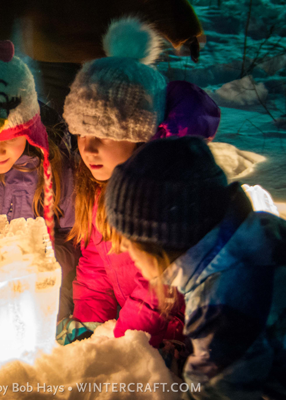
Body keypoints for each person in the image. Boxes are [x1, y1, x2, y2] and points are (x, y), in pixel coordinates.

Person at [57, 18, 220, 352]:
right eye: (82, 134)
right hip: (134, 331)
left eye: (103, 134)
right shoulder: (97, 191)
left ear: (139, 137)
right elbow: (95, 266)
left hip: (174, 337)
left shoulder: (166, 198)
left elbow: (159, 288)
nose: (87, 149)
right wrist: (89, 321)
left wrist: (123, 343)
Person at [105, 136, 286, 400]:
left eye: (130, 236)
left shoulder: (223, 300)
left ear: (162, 236)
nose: (122, 247)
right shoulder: (259, 231)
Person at [0, 40, 78, 319]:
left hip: (43, 293)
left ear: (29, 130)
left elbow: (75, 242)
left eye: (8, 140)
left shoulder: (57, 172)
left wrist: (42, 259)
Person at [0, 0, 203, 114]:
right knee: (79, 131)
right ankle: (79, 198)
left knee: (110, 129)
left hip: (108, 48)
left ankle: (105, 197)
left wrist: (183, 27)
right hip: (63, 50)